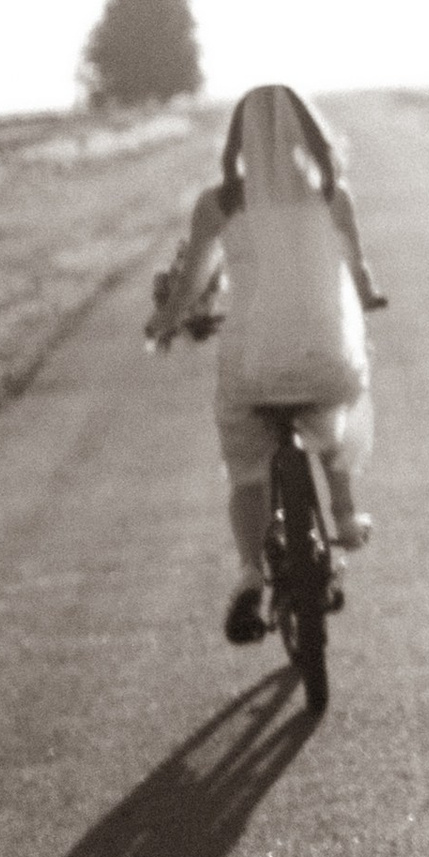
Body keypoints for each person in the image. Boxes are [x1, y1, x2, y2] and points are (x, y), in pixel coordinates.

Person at [147, 85, 388, 644]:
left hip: (255, 366)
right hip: (324, 359)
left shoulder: (219, 205)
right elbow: (358, 269)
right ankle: (346, 516)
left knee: (248, 471)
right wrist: (370, 293)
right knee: (337, 396)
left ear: (237, 144)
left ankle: (251, 573)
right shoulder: (332, 196)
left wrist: (165, 323)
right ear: (309, 136)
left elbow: (193, 287)